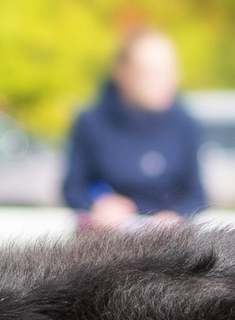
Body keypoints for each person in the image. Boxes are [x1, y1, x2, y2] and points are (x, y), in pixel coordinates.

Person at [62, 28, 207, 231]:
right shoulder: (92, 122)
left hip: (167, 243)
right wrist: (99, 204)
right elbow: (73, 189)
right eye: (151, 73)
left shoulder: (186, 125)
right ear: (122, 72)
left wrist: (176, 216)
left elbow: (196, 195)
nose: (165, 81)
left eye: (170, 71)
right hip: (107, 241)